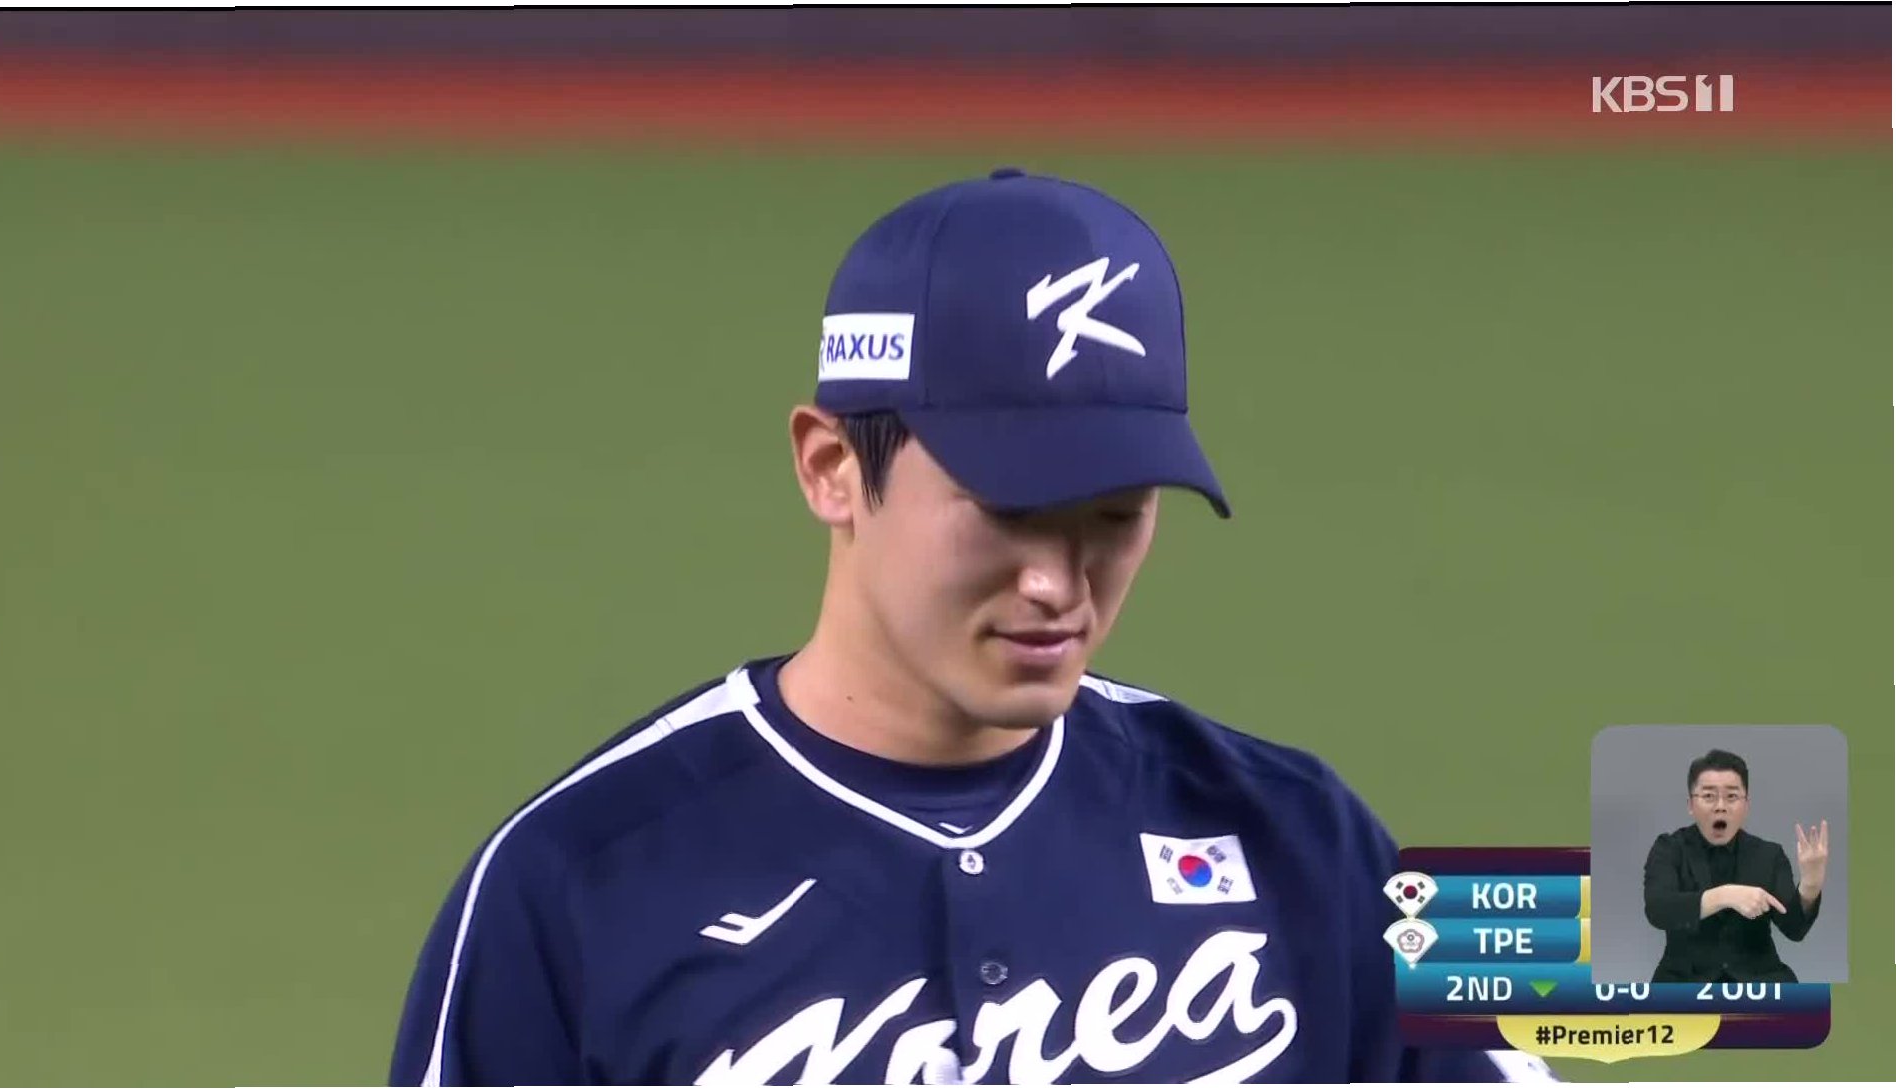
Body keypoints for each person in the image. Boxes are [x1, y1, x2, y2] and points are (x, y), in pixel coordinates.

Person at [388, 168, 1554, 1084]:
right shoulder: (573, 880)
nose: (1057, 584)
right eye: (1006, 511)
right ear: (830, 466)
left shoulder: (1303, 835)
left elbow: (1585, 984)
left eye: (1114, 516)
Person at [1641, 749, 1829, 983]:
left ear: (1746, 805)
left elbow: (1794, 929)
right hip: (1683, 980)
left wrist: (1811, 884)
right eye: (1708, 796)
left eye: (1731, 796)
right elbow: (1658, 910)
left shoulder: (1769, 855)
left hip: (1760, 979)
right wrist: (1726, 896)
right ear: (1690, 805)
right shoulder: (1669, 849)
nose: (1720, 806)